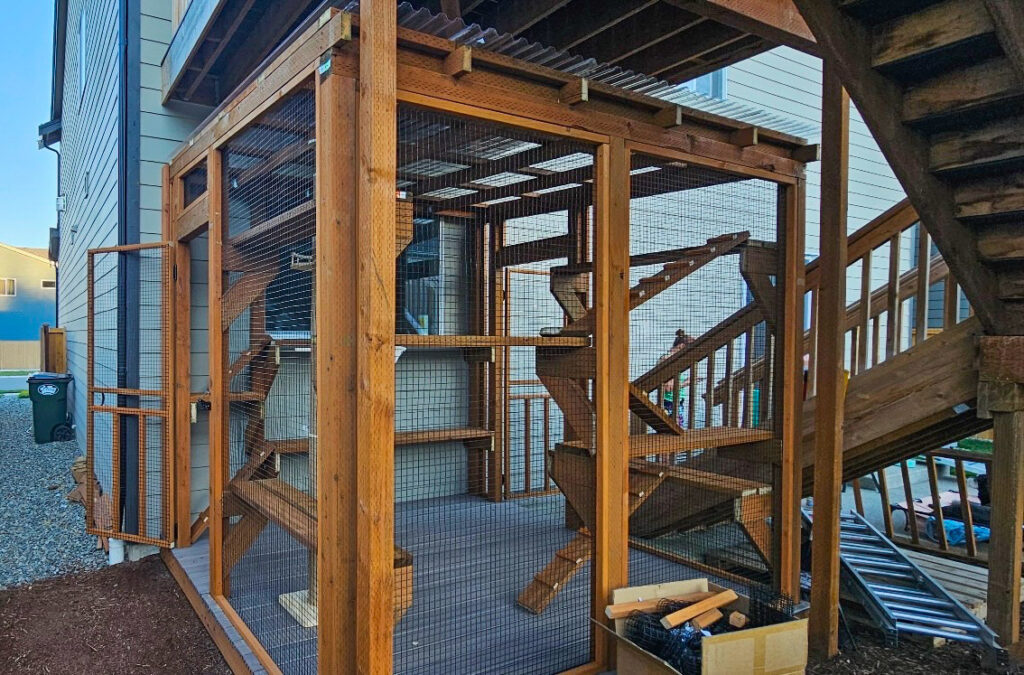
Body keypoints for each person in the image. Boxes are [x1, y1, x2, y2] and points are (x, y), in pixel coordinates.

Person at [660, 330, 696, 425]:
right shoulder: (668, 360)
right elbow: (667, 387)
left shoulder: (671, 359)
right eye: (688, 351)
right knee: (675, 429)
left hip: (674, 402)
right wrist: (687, 383)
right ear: (681, 346)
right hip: (670, 403)